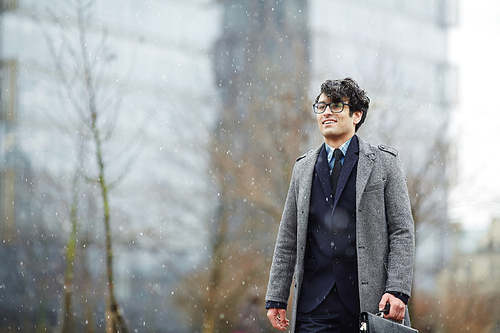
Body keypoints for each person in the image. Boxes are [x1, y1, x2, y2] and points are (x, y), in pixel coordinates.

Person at [265, 77, 415, 332]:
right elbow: (288, 237)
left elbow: (402, 231)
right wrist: (276, 296)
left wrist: (398, 290)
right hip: (312, 308)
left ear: (357, 114)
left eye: (336, 106)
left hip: (370, 307)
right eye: (321, 106)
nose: (326, 113)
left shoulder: (385, 162)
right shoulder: (302, 168)